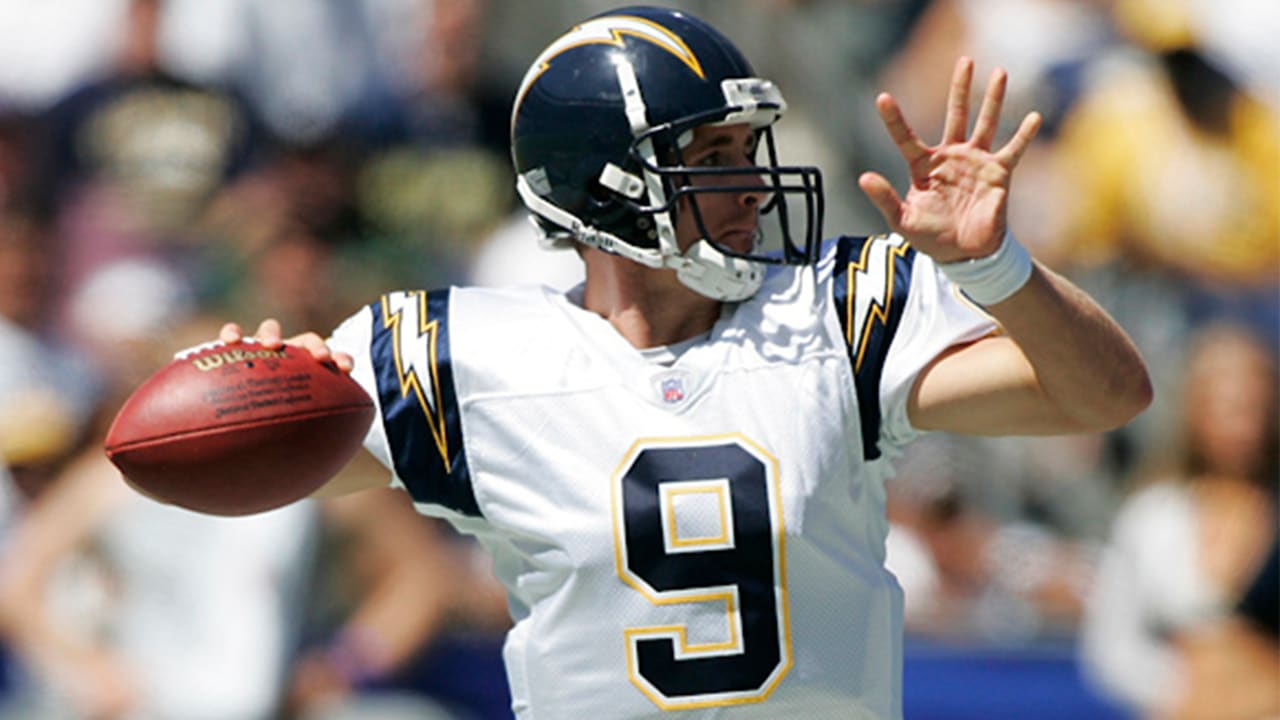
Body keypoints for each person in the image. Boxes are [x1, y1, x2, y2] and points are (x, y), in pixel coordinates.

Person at [204, 6, 1151, 719]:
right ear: (599, 189)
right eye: (710, 154)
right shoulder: (470, 358)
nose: (747, 183)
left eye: (748, 148)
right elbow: (205, 465)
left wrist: (995, 266)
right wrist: (257, 387)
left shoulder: (828, 312)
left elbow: (1105, 395)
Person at [1080, 322, 1278, 719]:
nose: (1242, 424)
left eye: (1253, 404)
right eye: (1226, 404)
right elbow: (1112, 648)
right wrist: (1185, 693)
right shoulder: (1153, 517)